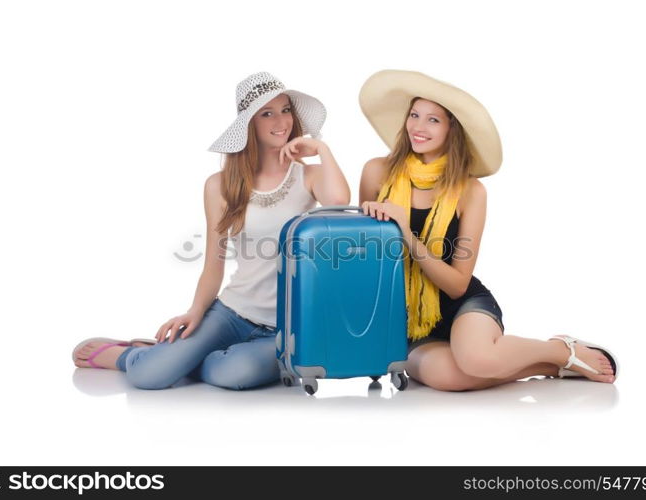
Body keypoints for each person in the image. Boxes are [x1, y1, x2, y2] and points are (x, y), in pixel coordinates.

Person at [72, 71, 351, 390]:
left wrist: (322, 150)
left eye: (286, 110)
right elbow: (213, 266)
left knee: (233, 374)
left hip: (287, 326)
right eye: (267, 113)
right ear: (250, 124)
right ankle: (133, 355)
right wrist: (195, 310)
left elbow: (340, 200)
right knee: (147, 377)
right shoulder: (219, 186)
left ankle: (182, 358)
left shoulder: (309, 176)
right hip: (232, 311)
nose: (281, 121)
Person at [358, 69, 618, 391]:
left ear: (453, 129)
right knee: (448, 378)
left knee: (478, 360)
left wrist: (406, 235)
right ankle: (550, 367)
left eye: (433, 120)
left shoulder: (471, 191)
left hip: (461, 304)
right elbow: (366, 259)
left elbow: (456, 285)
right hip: (406, 318)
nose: (418, 127)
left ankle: (560, 349)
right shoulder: (377, 172)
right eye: (414, 115)